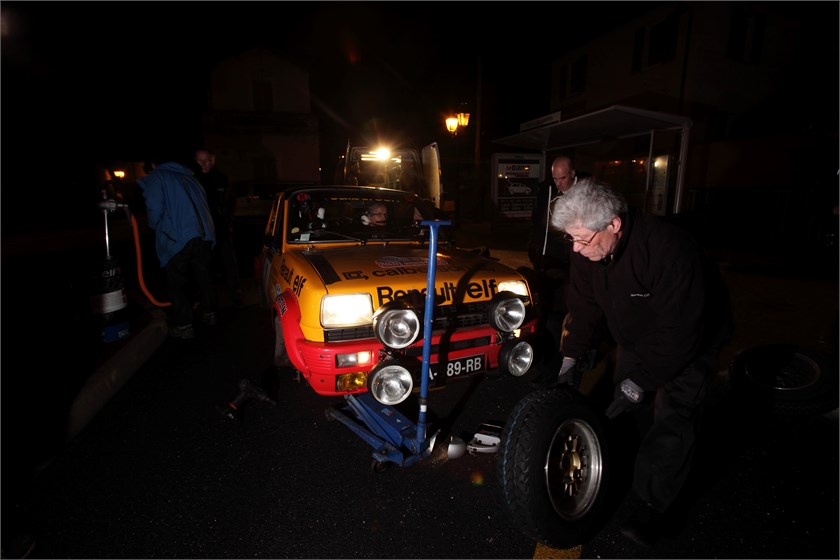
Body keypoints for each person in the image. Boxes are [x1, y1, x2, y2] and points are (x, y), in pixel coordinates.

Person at [548, 177, 733, 547]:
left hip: (691, 339)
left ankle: (657, 509)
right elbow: (583, 306)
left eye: (583, 239)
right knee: (628, 405)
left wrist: (643, 381)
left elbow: (681, 333)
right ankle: (622, 471)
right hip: (634, 335)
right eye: (571, 240)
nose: (578, 249)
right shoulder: (586, 246)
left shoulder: (669, 250)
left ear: (613, 224)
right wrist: (571, 356)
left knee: (672, 415)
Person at [138, 157, 218, 340]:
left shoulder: (157, 176)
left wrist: (152, 224)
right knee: (203, 277)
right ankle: (209, 314)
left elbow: (154, 208)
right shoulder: (190, 178)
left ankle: (184, 325)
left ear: (152, 164)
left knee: (176, 283)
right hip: (204, 235)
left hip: (178, 237)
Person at [528, 155, 578, 382]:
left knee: (564, 316)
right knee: (546, 313)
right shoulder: (548, 190)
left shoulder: (583, 193)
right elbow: (538, 221)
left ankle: (565, 365)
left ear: (573, 173)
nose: (559, 183)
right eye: (555, 178)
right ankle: (548, 362)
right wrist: (535, 249)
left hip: (568, 266)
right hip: (545, 262)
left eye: (563, 178)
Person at [194, 148, 243, 308]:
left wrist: (229, 222)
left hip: (221, 230)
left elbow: (230, 202)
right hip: (202, 232)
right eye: (200, 161)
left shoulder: (221, 178)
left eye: (206, 160)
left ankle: (235, 297)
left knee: (229, 263)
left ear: (212, 160)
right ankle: (207, 303)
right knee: (205, 267)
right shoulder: (193, 180)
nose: (204, 164)